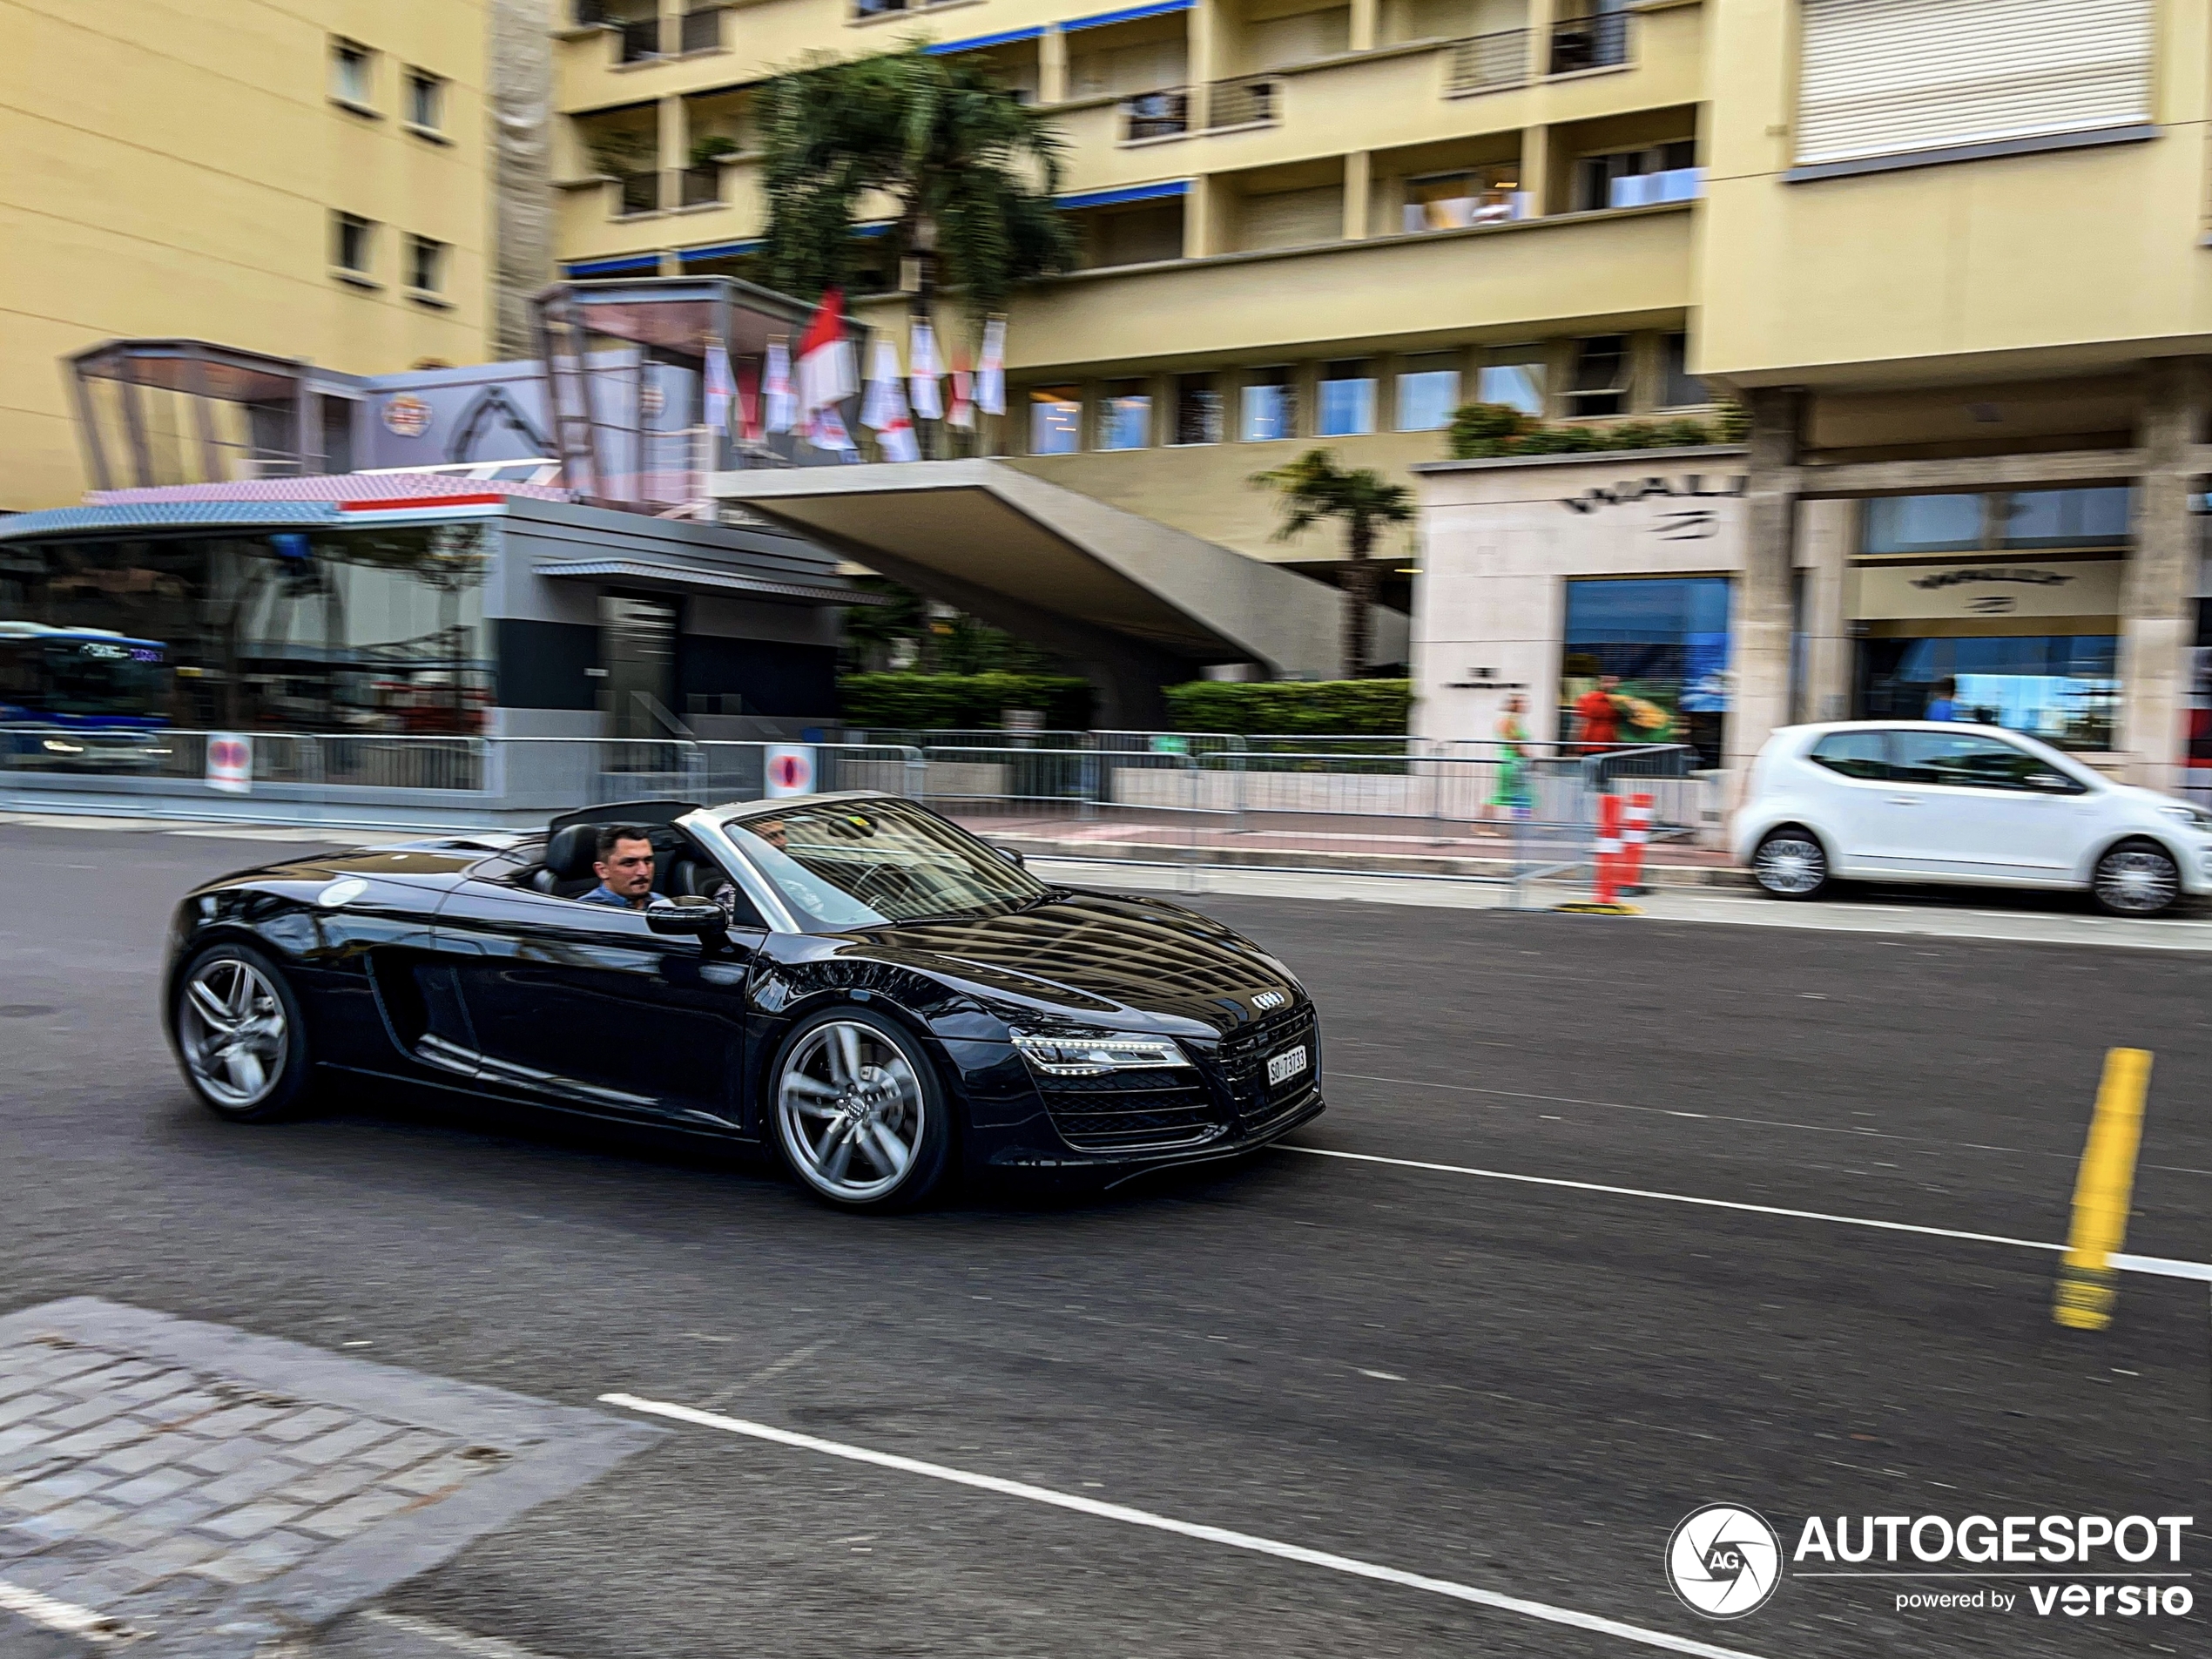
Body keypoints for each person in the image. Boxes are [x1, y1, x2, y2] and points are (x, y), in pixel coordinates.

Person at [1480, 694, 1532, 834]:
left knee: (1523, 795)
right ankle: (1482, 827)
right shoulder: (1508, 721)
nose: (1525, 705)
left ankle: (1523, 828)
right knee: (1502, 795)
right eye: (1521, 703)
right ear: (1515, 705)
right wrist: (1528, 756)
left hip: (1515, 762)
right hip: (1510, 763)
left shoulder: (1514, 721)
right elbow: (1514, 743)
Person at [579, 825, 657, 908]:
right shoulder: (589, 911)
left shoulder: (661, 902)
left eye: (647, 861)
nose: (643, 871)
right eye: (629, 863)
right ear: (602, 871)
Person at [1574, 674, 1623, 752]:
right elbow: (1580, 724)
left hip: (1595, 743)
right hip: (1604, 743)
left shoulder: (1587, 698)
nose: (1611, 685)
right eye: (1608, 682)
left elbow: (1579, 724)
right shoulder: (1618, 701)